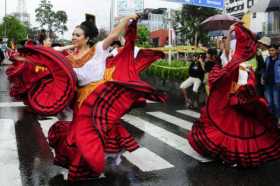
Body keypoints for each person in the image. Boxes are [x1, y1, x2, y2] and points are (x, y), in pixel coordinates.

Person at [7, 13, 166, 182]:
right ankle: (92, 162)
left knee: (91, 134)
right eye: (73, 34)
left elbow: (113, 35)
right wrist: (22, 57)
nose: (74, 37)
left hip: (99, 99)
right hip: (81, 102)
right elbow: (46, 61)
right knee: (81, 135)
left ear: (87, 37)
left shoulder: (98, 49)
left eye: (77, 35)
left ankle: (97, 162)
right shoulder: (68, 57)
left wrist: (127, 19)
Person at [187, 23, 280, 168]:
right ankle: (229, 155)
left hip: (238, 94)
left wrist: (232, 32)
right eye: (224, 43)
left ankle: (235, 156)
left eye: (226, 42)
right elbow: (227, 50)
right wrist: (230, 33)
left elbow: (247, 73)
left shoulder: (241, 63)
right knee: (229, 127)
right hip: (227, 96)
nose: (225, 45)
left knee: (240, 126)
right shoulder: (227, 58)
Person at [262, 44, 280, 120]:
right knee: (269, 103)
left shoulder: (279, 60)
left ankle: (278, 118)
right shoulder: (267, 59)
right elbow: (264, 69)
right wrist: (262, 78)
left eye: (272, 50)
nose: (270, 52)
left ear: (276, 51)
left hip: (276, 84)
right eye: (269, 50)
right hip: (267, 84)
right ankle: (272, 119)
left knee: (276, 103)